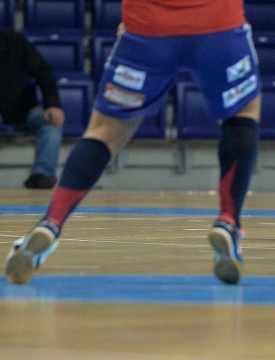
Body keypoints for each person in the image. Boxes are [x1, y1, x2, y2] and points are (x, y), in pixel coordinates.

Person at [5, 1, 260, 285]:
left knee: (103, 131)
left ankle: (50, 224)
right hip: (218, 25)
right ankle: (228, 221)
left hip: (147, 29)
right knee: (242, 113)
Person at [0, 29, 65, 189]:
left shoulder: (14, 40)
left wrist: (53, 105)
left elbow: (44, 72)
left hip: (22, 106)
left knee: (51, 123)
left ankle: (42, 175)